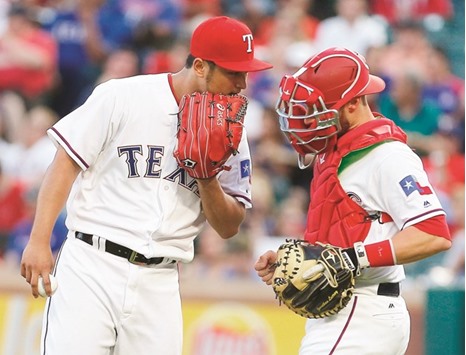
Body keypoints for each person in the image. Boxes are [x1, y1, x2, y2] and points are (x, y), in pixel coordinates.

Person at [20, 15, 272, 355]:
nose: (242, 83)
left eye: (245, 72)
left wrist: (206, 176)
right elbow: (64, 164)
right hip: (93, 264)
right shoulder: (123, 96)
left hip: (161, 280)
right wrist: (39, 240)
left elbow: (229, 226)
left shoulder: (231, 134)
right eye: (234, 72)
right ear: (200, 66)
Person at [254, 47, 451, 354]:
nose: (306, 123)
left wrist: (353, 258)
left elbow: (433, 234)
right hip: (343, 311)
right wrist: (294, 263)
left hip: (364, 310)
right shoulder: (333, 152)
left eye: (318, 111)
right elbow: (344, 233)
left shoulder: (388, 156)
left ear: (355, 102)